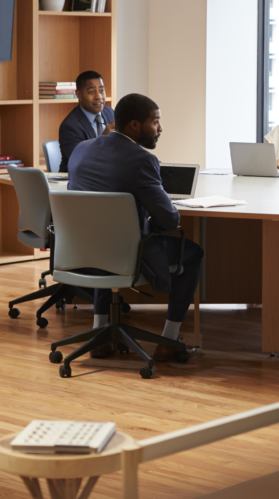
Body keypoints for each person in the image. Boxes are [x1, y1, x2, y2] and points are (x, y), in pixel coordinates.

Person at [68, 93, 203, 362]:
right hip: (124, 256)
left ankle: (99, 335)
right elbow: (170, 221)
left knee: (104, 241)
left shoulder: (81, 149)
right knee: (192, 253)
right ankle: (168, 339)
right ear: (134, 126)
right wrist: (146, 221)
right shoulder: (142, 160)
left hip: (79, 253)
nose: (161, 129)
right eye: (155, 122)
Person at [57, 70, 115, 173]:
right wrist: (103, 139)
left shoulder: (109, 112)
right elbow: (80, 161)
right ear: (79, 94)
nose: (99, 97)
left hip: (106, 175)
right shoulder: (70, 126)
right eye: (91, 92)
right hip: (78, 182)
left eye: (101, 90)